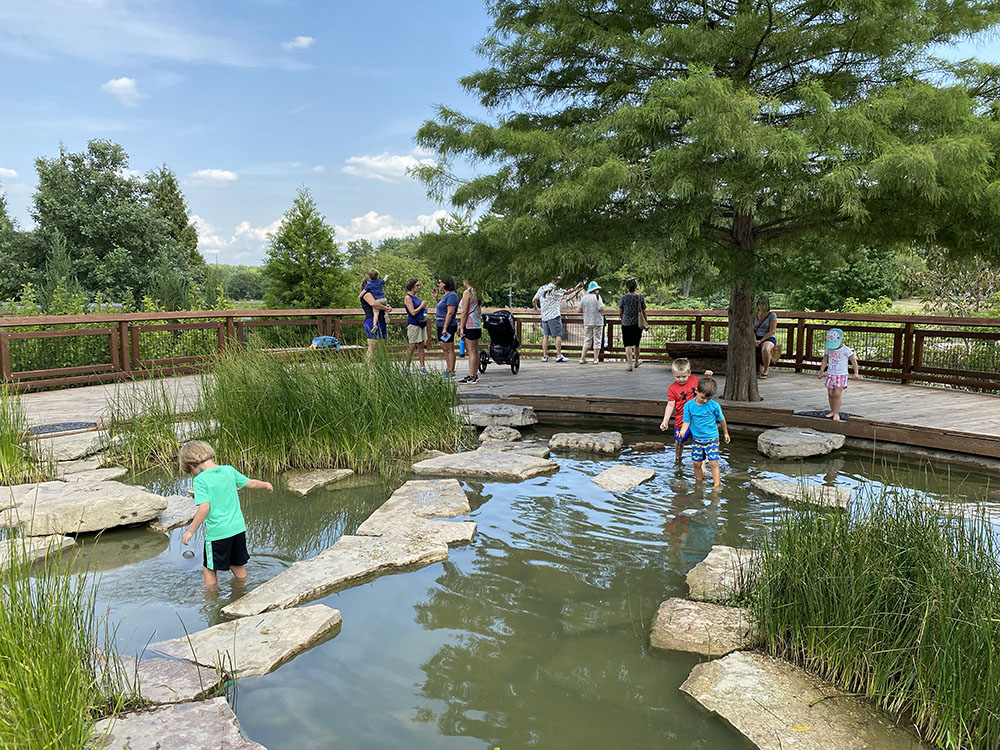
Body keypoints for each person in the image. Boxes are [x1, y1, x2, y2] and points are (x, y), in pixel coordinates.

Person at [178, 440, 273, 587]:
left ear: (191, 465)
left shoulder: (200, 480)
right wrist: (266, 484)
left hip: (218, 533)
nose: (192, 475)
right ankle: (243, 590)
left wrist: (190, 531)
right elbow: (250, 483)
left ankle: (211, 598)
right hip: (238, 529)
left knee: (209, 568)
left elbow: (204, 507)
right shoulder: (228, 470)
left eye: (190, 472)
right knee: (237, 565)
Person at [679, 377, 731, 489]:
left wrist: (725, 433)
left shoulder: (714, 406)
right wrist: (682, 432)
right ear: (696, 391)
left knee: (713, 463)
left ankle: (717, 486)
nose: (706, 401)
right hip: (697, 439)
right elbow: (686, 422)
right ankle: (699, 482)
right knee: (696, 463)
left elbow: (721, 420)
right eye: (703, 397)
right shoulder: (689, 406)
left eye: (709, 398)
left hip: (712, 438)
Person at [659, 358, 713, 461]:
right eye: (677, 377)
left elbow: (705, 388)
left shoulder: (695, 380)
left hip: (697, 417)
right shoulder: (672, 388)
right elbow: (670, 405)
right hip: (681, 419)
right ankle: (678, 458)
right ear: (673, 374)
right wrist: (665, 420)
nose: (681, 379)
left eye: (684, 376)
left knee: (699, 439)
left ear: (689, 373)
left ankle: (701, 461)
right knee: (679, 440)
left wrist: (708, 377)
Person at [532, 275, 584, 362]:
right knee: (558, 335)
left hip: (544, 316)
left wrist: (536, 308)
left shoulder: (542, 288)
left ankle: (545, 356)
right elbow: (567, 292)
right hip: (554, 316)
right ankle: (559, 355)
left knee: (545, 336)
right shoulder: (556, 289)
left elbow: (534, 300)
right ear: (555, 281)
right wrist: (576, 287)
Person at [817, 327, 860, 420]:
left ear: (841, 339)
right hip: (830, 374)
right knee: (830, 393)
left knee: (837, 394)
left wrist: (856, 372)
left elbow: (853, 361)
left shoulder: (846, 350)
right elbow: (824, 361)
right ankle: (832, 410)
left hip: (841, 375)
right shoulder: (829, 349)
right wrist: (821, 372)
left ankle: (836, 413)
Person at [618, 278, 647, 371]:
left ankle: (629, 365)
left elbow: (620, 311)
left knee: (627, 344)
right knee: (637, 344)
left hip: (626, 323)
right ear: (636, 287)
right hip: (637, 323)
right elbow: (643, 310)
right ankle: (636, 362)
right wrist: (646, 321)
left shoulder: (623, 297)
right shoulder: (640, 297)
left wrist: (622, 319)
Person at [434, 276, 460, 378]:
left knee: (449, 348)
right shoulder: (446, 295)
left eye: (440, 282)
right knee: (444, 348)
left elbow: (449, 313)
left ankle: (451, 371)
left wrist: (445, 328)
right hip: (440, 324)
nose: (439, 284)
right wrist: (436, 299)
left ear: (445, 283)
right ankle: (448, 369)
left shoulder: (452, 296)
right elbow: (441, 309)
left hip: (448, 325)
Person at [359, 278, 391, 360]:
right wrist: (385, 308)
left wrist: (388, 307)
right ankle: (369, 370)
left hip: (381, 320)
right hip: (371, 321)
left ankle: (379, 368)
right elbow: (373, 303)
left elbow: (383, 303)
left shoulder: (377, 295)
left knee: (381, 347)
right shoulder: (366, 294)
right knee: (372, 347)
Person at [459, 278, 483, 384]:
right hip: (477, 324)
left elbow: (464, 311)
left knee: (471, 351)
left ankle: (472, 375)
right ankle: (474, 373)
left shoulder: (467, 292)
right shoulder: (477, 292)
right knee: (475, 350)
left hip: (469, 324)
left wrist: (461, 327)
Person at [403, 278, 428, 371]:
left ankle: (422, 367)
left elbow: (420, 309)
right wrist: (421, 305)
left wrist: (424, 308)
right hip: (413, 324)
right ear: (412, 286)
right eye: (417, 285)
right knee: (412, 346)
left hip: (421, 323)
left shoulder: (416, 298)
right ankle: (407, 367)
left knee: (421, 345)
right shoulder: (408, 297)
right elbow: (412, 312)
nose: (419, 287)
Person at [578, 281, 605, 364]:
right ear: (595, 290)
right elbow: (601, 308)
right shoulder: (597, 297)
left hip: (587, 321)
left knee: (587, 340)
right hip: (597, 321)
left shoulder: (584, 298)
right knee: (597, 340)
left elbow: (579, 310)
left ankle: (582, 358)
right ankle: (595, 359)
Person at [753, 296, 778, 378]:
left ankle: (766, 369)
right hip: (755, 337)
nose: (761, 306)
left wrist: (760, 341)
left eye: (763, 304)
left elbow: (772, 331)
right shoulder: (754, 314)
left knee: (765, 349)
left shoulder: (772, 315)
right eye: (759, 303)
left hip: (768, 337)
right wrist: (755, 340)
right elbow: (751, 329)